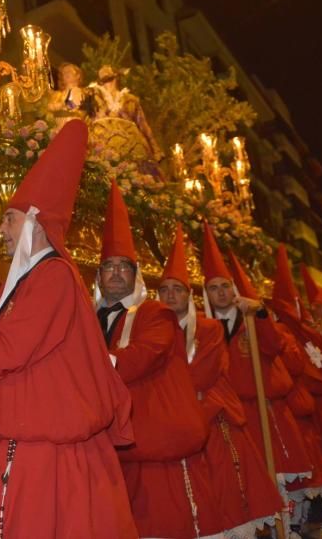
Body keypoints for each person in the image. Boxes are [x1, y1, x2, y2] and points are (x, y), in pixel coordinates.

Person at [0, 119, 136, 538]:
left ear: (34, 221)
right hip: (17, 453)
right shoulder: (25, 279)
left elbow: (8, 348)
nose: (0, 231)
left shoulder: (53, 277)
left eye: (8, 220)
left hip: (43, 462)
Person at [97, 183, 219, 538]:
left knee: (165, 519)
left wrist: (88, 365)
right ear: (99, 277)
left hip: (153, 434)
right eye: (109, 266)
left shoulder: (155, 313)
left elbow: (143, 357)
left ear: (136, 276)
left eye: (124, 267)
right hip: (113, 440)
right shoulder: (89, 319)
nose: (117, 272)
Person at [159, 222, 282, 538]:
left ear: (189, 294)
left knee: (234, 487)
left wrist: (171, 396)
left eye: (177, 289)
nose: (171, 295)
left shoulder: (215, 326)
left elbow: (207, 371)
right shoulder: (155, 328)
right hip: (183, 420)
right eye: (164, 290)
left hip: (219, 414)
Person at [270, 246, 322, 538]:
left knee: (317, 468)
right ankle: (307, 522)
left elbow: (300, 368)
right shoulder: (306, 329)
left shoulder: (288, 331)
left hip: (307, 407)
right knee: (315, 469)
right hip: (318, 406)